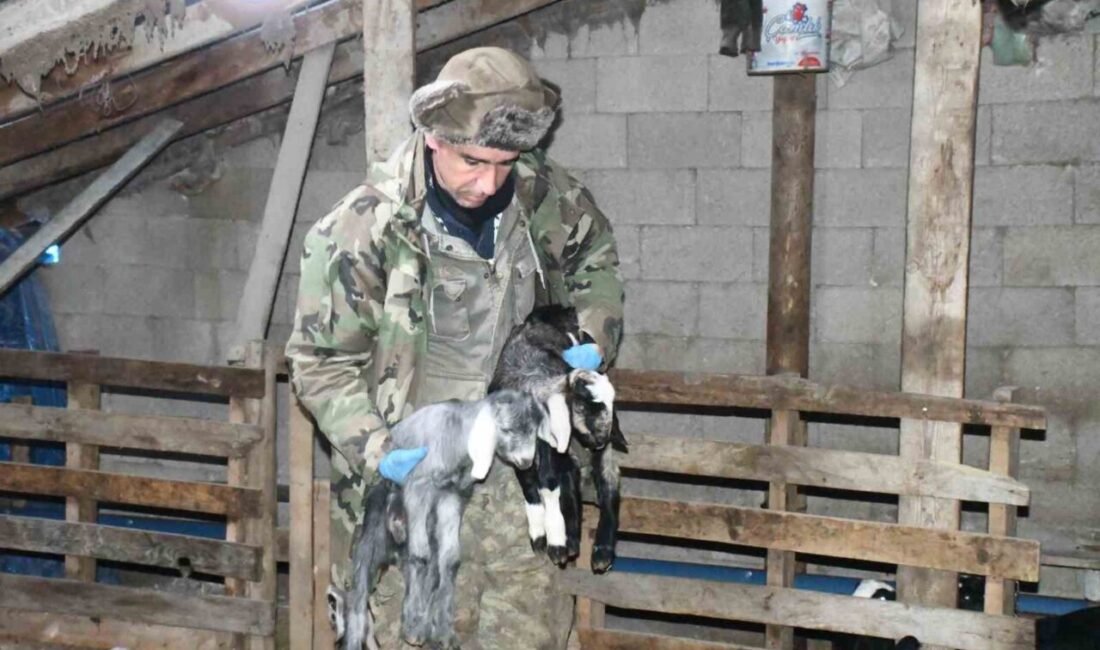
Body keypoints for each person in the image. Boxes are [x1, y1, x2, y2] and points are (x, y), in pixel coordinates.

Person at [285, 46, 624, 649]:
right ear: (434, 138)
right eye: (472, 161)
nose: (488, 181)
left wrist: (590, 338)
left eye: (505, 162)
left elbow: (595, 264)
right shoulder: (364, 227)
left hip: (523, 478)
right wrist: (377, 446)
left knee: (529, 635)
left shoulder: (546, 196)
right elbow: (319, 361)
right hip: (417, 480)